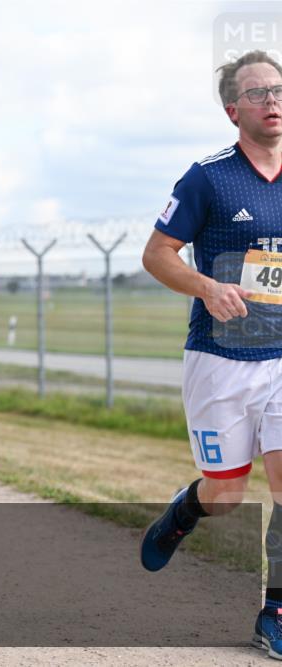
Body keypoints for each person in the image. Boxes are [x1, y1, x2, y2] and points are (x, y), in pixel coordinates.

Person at [138, 50, 282, 657]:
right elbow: (157, 254)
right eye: (256, 94)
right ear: (232, 110)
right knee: (227, 494)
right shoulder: (208, 176)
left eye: (278, 90)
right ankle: (185, 510)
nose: (272, 101)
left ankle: (273, 612)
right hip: (221, 357)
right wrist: (207, 286)